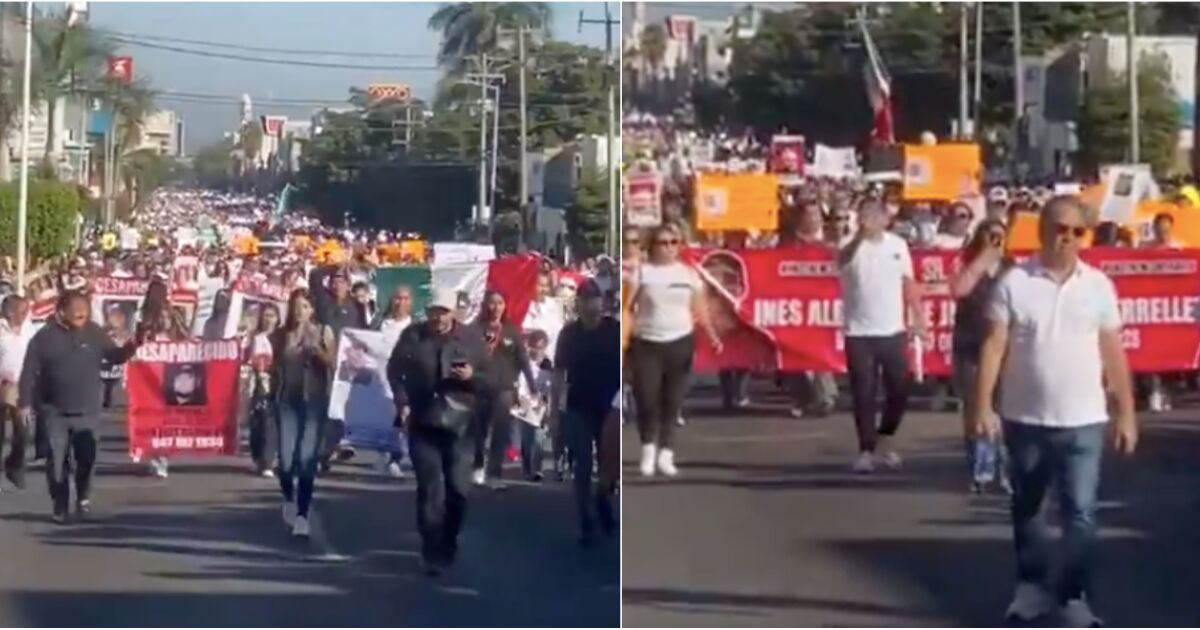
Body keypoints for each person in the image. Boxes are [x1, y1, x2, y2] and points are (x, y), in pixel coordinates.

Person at [971, 195, 1137, 627]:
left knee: (1080, 512)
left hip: (1084, 419)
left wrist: (1127, 413)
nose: (1066, 238)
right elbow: (994, 346)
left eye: (1075, 231)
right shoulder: (1014, 282)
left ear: (1085, 236)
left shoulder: (1098, 285)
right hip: (1025, 417)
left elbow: (1113, 352)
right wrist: (982, 406)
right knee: (1027, 506)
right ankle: (1030, 589)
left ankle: (1073, 596)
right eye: (1058, 228)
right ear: (1042, 230)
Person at [387, 288, 489, 576]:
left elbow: (492, 377)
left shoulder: (470, 338)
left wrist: (473, 376)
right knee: (430, 487)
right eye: (434, 312)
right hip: (423, 420)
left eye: (444, 312)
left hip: (461, 424)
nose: (438, 318)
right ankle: (431, 548)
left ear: (454, 312)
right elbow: (395, 369)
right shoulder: (413, 336)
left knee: (458, 489)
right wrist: (402, 399)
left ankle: (449, 538)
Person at [19, 291, 142, 523]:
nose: (81, 318)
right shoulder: (43, 338)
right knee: (56, 462)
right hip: (53, 410)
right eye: (76, 315)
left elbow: (115, 356)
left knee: (86, 459)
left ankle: (83, 497)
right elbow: (28, 372)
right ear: (61, 312)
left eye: (85, 314)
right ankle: (60, 502)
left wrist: (133, 344)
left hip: (88, 410)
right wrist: (25, 403)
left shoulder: (95, 332)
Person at [837, 199, 926, 474]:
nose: (872, 220)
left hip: (892, 329)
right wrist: (859, 238)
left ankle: (886, 437)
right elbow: (842, 261)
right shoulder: (849, 245)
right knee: (864, 392)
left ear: (886, 220)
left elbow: (908, 283)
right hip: (859, 331)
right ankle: (866, 449)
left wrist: (918, 315)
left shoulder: (898, 246)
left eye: (876, 216)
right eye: (866, 216)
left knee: (899, 390)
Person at [627, 223, 722, 478]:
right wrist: (625, 339)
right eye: (663, 242)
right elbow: (627, 308)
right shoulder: (642, 273)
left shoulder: (689, 275)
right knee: (647, 399)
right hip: (647, 342)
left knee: (673, 400)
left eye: (674, 242)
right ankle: (648, 447)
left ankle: (666, 452)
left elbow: (700, 309)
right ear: (653, 246)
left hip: (680, 341)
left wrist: (712, 337)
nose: (669, 248)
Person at [551, 280, 621, 545]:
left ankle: (603, 497)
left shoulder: (614, 330)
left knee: (608, 465)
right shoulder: (569, 334)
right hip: (578, 406)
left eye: (595, 298)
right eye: (585, 298)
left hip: (609, 407)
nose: (591, 303)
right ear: (577, 302)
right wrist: (554, 412)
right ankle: (587, 522)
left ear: (602, 302)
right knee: (581, 464)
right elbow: (559, 374)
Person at [949, 218, 1012, 494]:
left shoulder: (1012, 270)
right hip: (970, 346)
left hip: (1003, 348)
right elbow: (958, 289)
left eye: (1000, 235)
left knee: (1005, 410)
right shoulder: (966, 264)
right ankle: (980, 469)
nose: (996, 240)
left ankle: (1007, 471)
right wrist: (982, 262)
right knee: (976, 408)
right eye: (991, 235)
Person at [269, 289, 336, 538]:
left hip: (313, 401)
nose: (300, 312)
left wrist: (318, 351)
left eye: (305, 307)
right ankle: (289, 498)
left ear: (312, 310)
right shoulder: (282, 335)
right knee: (286, 460)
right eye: (296, 306)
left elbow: (333, 363)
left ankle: (302, 515)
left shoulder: (323, 332)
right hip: (288, 400)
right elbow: (273, 365)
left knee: (307, 460)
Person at [471, 290, 535, 489]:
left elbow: (523, 360)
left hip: (505, 388)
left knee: (501, 432)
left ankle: (494, 473)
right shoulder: (475, 329)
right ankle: (477, 466)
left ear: (505, 306)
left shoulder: (512, 331)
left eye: (500, 303)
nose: (496, 307)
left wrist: (532, 386)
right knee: (478, 431)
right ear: (485, 305)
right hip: (479, 386)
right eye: (492, 303)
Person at [136, 279, 191, 479]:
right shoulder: (143, 317)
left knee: (162, 416)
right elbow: (137, 341)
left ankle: (160, 456)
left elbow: (183, 336)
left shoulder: (172, 314)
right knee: (155, 415)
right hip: (151, 369)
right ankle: (156, 455)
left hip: (166, 368)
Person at [376, 286, 416, 478]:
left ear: (411, 302)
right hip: (380, 377)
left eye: (405, 298)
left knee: (402, 418)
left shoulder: (415, 327)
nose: (401, 302)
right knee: (386, 418)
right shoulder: (380, 324)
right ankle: (387, 455)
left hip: (404, 379)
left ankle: (396, 456)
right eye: (397, 298)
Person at [0, 295, 35, 488]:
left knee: (23, 429)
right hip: (2, 382)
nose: (25, 315)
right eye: (21, 311)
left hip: (23, 384)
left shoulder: (31, 330)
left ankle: (15, 464)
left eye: (26, 311)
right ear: (10, 312)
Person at [245, 303, 280, 478]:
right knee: (256, 424)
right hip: (255, 384)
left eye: (272, 315)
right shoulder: (255, 337)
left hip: (274, 383)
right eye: (266, 315)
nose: (269, 319)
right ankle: (258, 456)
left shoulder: (280, 338)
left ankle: (268, 460)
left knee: (269, 422)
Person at [514, 329, 553, 481]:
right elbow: (519, 383)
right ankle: (526, 468)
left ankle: (537, 469)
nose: (536, 351)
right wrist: (521, 398)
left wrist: (547, 404)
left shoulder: (548, 365)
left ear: (545, 347)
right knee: (526, 440)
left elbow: (551, 387)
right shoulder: (523, 363)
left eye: (539, 347)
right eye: (533, 347)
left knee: (539, 439)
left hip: (540, 408)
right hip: (523, 407)